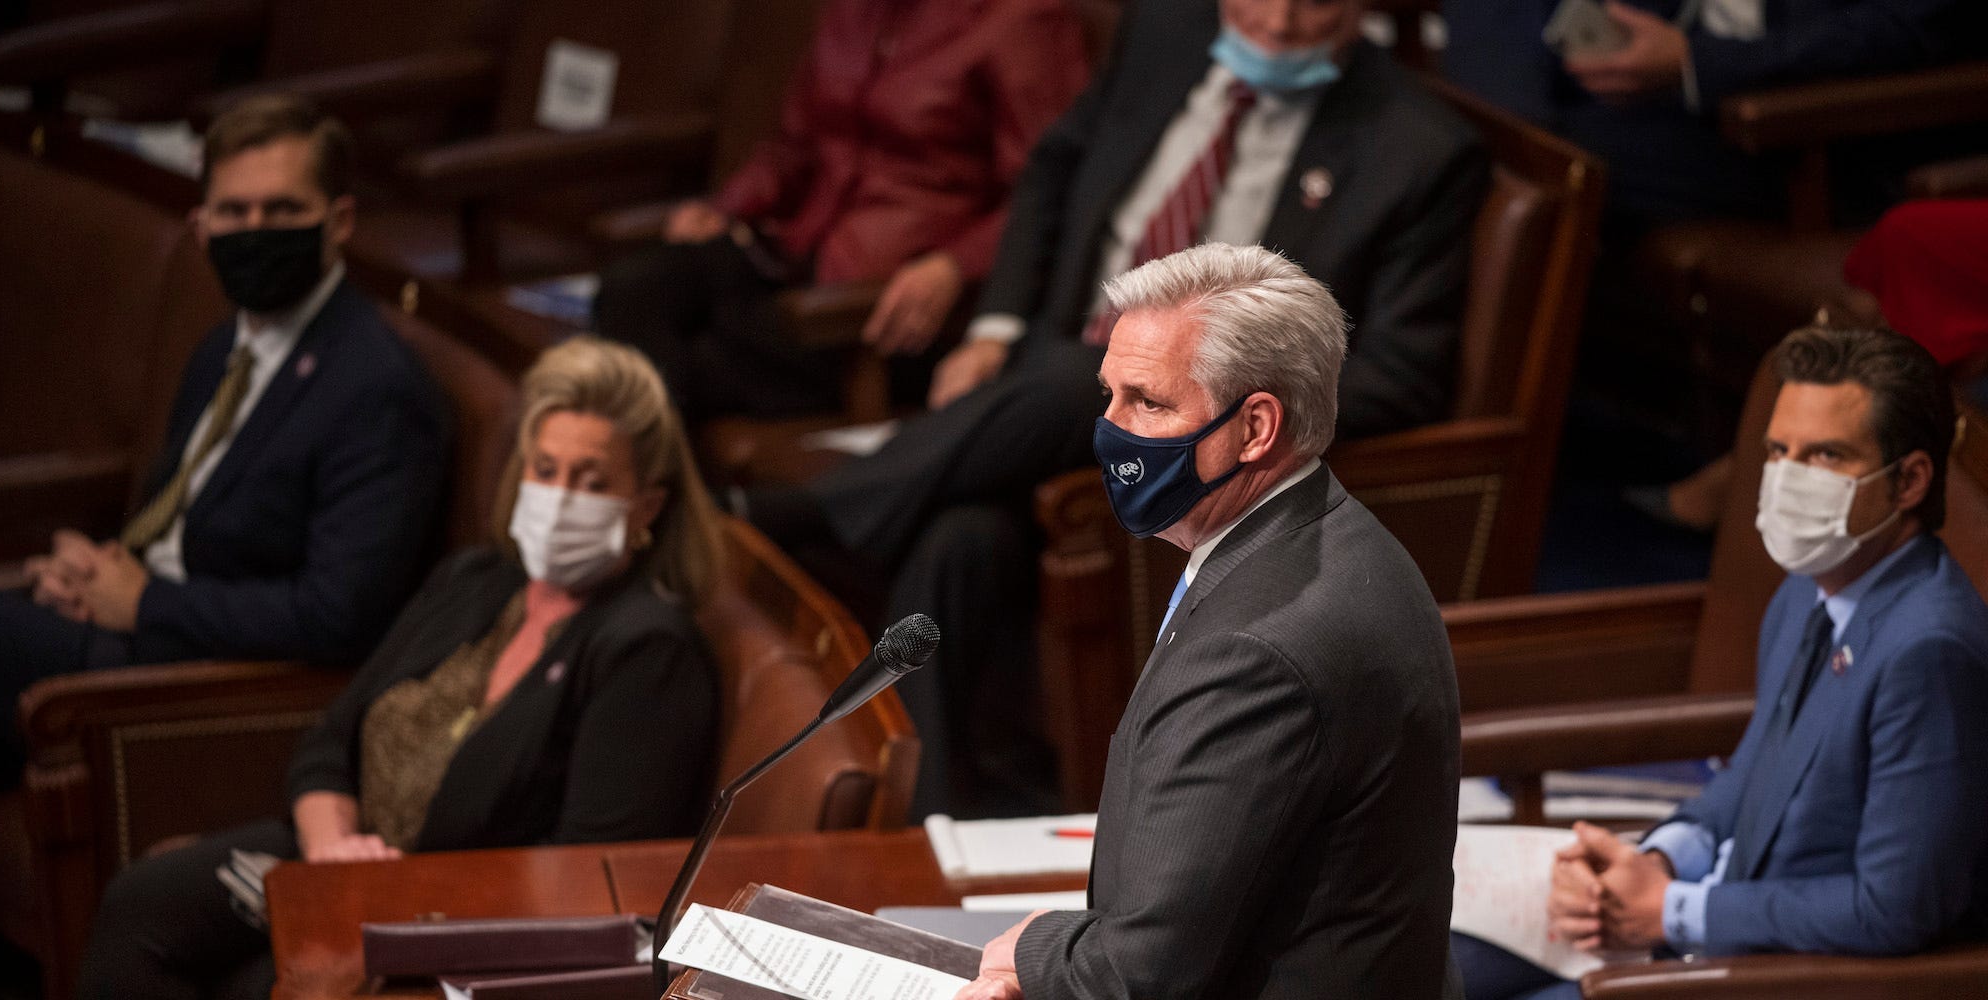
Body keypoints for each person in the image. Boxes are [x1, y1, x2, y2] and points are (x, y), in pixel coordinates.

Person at [754, 0, 1486, 818]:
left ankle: (796, 518)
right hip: (1048, 384)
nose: (1277, 25)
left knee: (1094, 379)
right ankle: (931, 827)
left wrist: (1213, 396)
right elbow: (1054, 166)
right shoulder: (1163, 33)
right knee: (957, 541)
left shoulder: (1418, 148)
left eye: (1311, 2)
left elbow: (1404, 374)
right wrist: (995, 330)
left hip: (1189, 439)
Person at [76, 337, 727, 1000]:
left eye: (591, 481)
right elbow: (334, 736)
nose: (561, 499)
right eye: (547, 469)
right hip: (334, 861)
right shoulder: (476, 579)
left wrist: (383, 897)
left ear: (646, 506)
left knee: (251, 984)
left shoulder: (648, 652)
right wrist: (332, 850)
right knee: (136, 906)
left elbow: (588, 883)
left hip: (445, 919)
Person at [955, 243, 1464, 1000]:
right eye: (1110, 395)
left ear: (1256, 427)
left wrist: (1036, 950)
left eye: (1148, 403)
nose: (1110, 431)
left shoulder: (1257, 649)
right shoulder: (1340, 537)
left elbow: (1141, 976)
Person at [1454, 325, 1988, 1000]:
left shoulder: (1929, 651)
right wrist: (1657, 857)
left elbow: (1893, 909)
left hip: (1788, 976)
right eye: (1778, 450)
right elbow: (1759, 773)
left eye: (1826, 455)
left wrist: (1672, 910)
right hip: (1717, 912)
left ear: (1909, 479)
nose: (1790, 479)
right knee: (1411, 961)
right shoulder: (1811, 587)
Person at [0, 94, 448, 792]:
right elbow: (179, 515)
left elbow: (338, 615)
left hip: (189, 679)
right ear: (200, 226)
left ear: (340, 221)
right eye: (234, 212)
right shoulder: (222, 348)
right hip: (132, 629)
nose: (255, 230)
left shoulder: (376, 387)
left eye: (283, 211)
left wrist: (145, 603)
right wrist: (96, 572)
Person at [592, 0, 1089, 422]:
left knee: (674, 368)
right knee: (631, 288)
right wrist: (728, 207)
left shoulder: (1021, 17)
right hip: (792, 255)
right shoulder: (854, 8)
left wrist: (955, 265)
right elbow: (795, 145)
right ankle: (631, 506)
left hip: (876, 308)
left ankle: (642, 513)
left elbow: (1047, 195)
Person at [1440, 0, 1986, 223]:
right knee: (1486, 145)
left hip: (1807, 136)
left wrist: (1696, 62)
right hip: (1642, 100)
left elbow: (1915, 26)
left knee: (1550, 169)